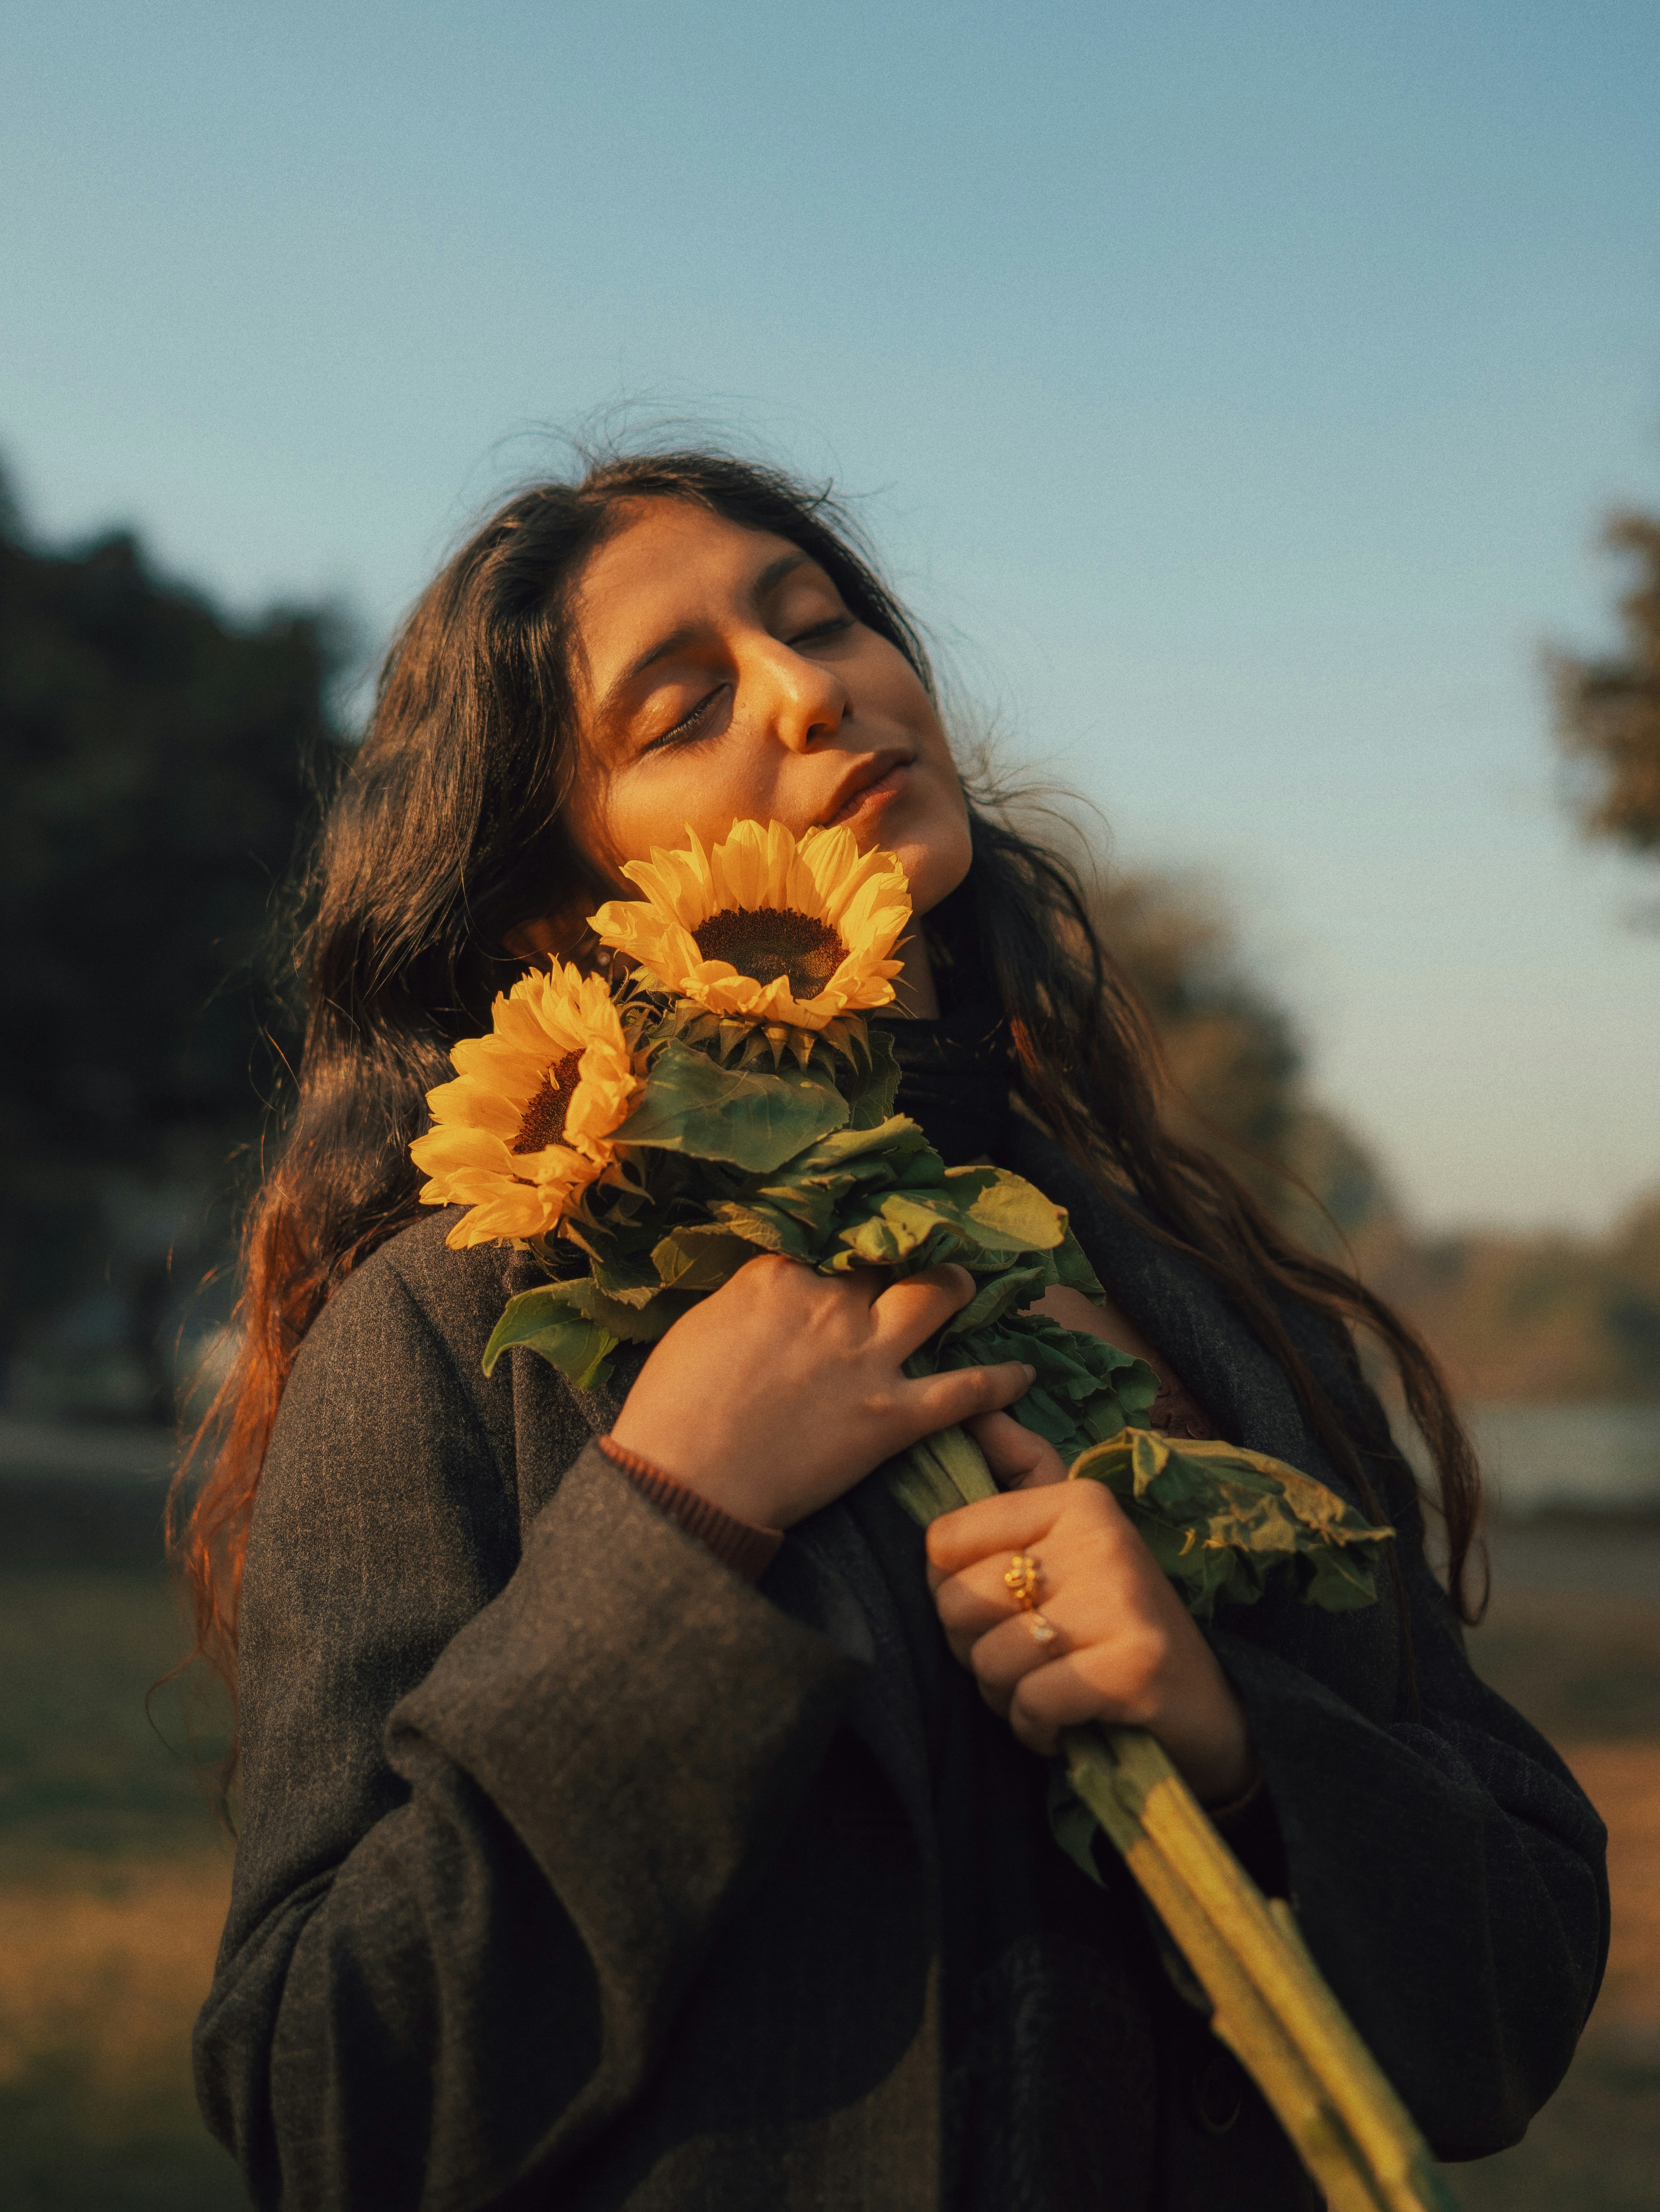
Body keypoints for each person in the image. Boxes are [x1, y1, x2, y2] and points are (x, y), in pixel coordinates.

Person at [178, 451, 1608, 2212]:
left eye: (823, 618)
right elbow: (326, 2106)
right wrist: (673, 1524)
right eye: (685, 706)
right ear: (559, 904)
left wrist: (1234, 1742)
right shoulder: (457, 1336)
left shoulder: (1202, 1299)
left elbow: (1523, 1978)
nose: (811, 688)